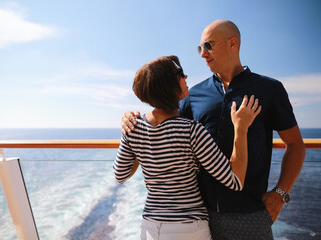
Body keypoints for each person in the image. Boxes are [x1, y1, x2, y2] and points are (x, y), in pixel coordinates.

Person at [121, 20, 305, 239]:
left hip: (250, 215)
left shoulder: (269, 89)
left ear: (232, 44)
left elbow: (295, 144)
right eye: (200, 48)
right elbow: (160, 132)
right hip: (199, 219)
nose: (202, 54)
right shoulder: (193, 95)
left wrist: (281, 193)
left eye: (207, 46)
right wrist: (130, 119)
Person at [114, 55, 261, 240]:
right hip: (188, 228)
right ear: (170, 85)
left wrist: (140, 143)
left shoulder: (133, 127)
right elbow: (235, 180)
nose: (186, 77)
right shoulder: (191, 131)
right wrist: (241, 128)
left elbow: (120, 175)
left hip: (150, 227)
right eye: (180, 74)